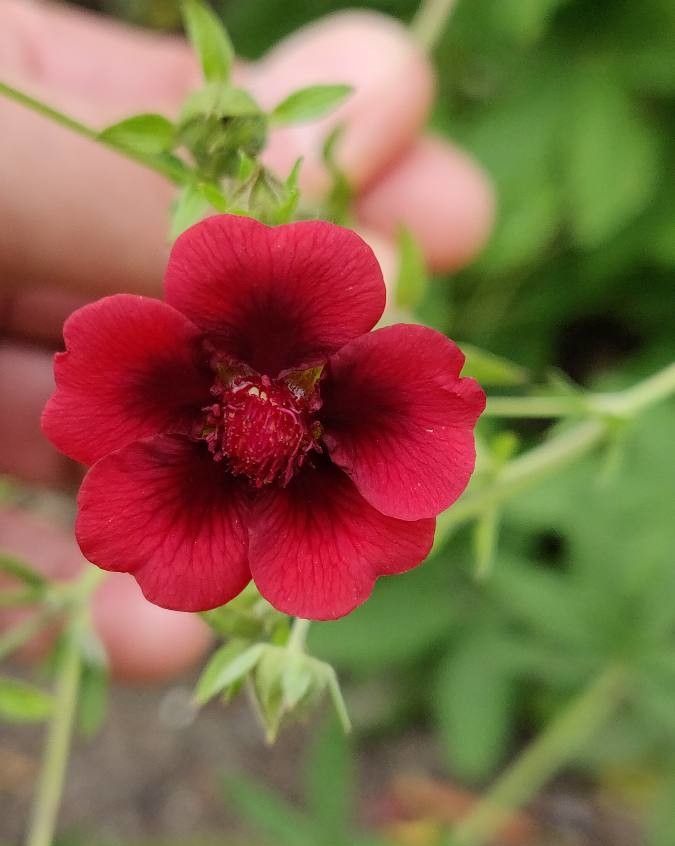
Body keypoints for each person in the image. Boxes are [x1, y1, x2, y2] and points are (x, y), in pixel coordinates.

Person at [0, 0, 494, 679]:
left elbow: (425, 415)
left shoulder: (360, 396)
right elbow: (102, 385)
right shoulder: (172, 389)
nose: (264, 418)